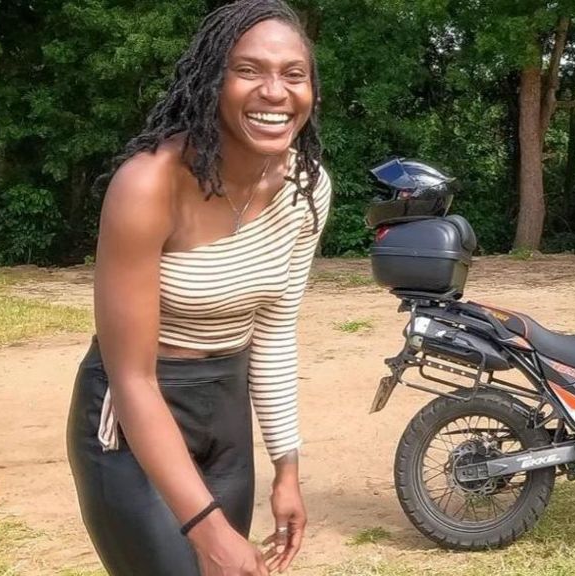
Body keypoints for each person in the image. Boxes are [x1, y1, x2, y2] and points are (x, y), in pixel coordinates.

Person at [66, 1, 331, 574]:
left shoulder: (306, 188)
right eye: (249, 70)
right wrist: (208, 530)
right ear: (213, 80)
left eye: (293, 74)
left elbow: (275, 328)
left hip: (225, 411)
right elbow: (131, 376)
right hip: (134, 418)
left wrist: (287, 469)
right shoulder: (147, 185)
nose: (275, 91)